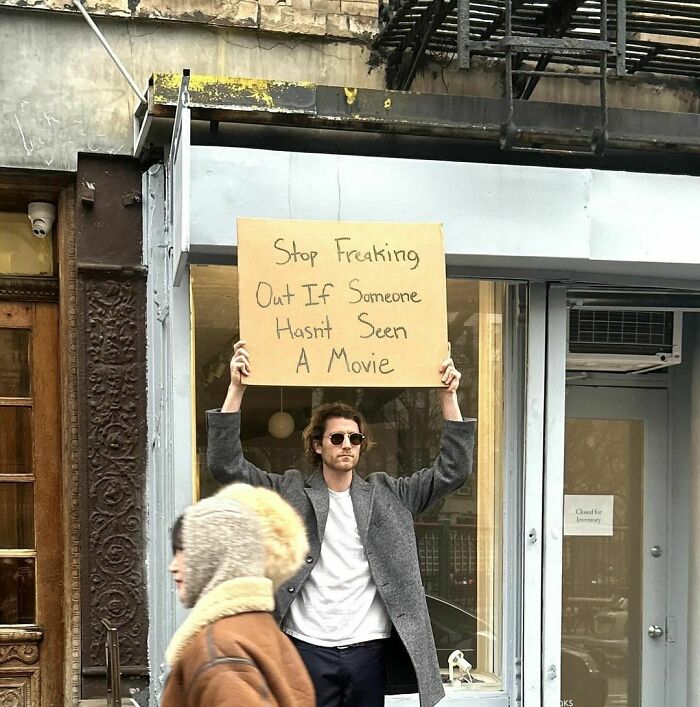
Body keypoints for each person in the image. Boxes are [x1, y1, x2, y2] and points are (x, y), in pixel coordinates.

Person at [207, 340, 476, 707]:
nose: (347, 444)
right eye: (337, 437)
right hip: (305, 649)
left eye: (355, 438)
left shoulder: (388, 494)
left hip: (368, 650)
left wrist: (448, 397)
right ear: (318, 445)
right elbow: (226, 466)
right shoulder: (290, 491)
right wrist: (236, 388)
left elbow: (453, 471)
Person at [161, 483, 316, 707]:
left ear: (213, 554)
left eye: (182, 551)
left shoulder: (218, 647)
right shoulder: (263, 630)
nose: (172, 566)